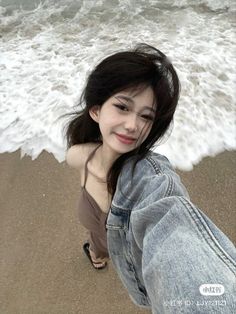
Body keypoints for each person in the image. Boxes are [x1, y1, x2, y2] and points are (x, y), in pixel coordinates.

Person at [65, 43, 236, 313]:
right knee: (97, 243)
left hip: (120, 239)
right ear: (96, 110)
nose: (133, 125)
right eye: (122, 107)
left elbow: (172, 223)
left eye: (146, 116)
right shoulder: (78, 154)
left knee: (106, 243)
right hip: (95, 225)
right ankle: (96, 253)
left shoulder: (150, 177)